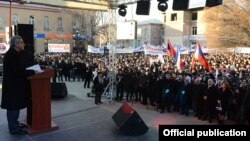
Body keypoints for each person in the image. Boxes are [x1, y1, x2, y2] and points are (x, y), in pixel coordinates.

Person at [1, 35, 36, 134]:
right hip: (12, 87)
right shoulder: (12, 55)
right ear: (16, 44)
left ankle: (15, 124)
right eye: (22, 42)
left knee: (14, 107)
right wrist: (33, 72)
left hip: (14, 86)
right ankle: (14, 128)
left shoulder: (14, 54)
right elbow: (18, 72)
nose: (23, 44)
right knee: (13, 108)